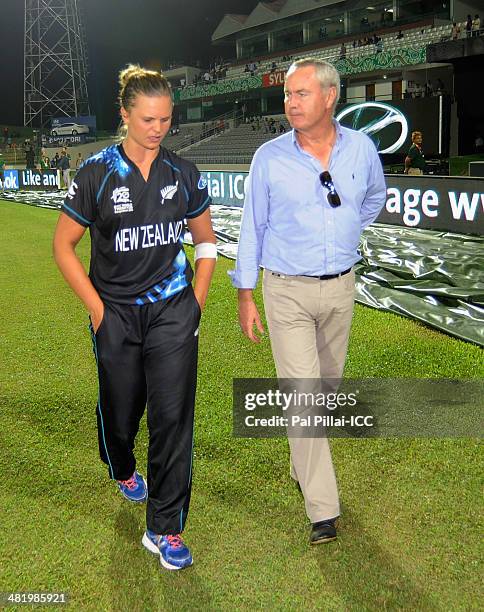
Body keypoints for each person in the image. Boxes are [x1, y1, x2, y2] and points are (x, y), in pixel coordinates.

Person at [53, 64, 216, 571]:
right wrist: (100, 312)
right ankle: (120, 465)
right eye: (147, 119)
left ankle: (166, 528)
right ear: (125, 116)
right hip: (116, 316)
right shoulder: (97, 173)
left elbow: (206, 242)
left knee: (173, 420)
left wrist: (197, 299)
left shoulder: (183, 172)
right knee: (121, 416)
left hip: (172, 312)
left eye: (165, 119)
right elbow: (63, 246)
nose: (158, 128)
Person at [232, 59, 386, 545]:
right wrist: (245, 292)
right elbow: (251, 225)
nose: (290, 103)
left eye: (300, 93)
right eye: (287, 95)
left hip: (341, 288)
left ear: (329, 97)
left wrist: (344, 233)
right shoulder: (269, 157)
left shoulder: (361, 149)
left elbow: (373, 199)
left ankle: (304, 462)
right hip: (286, 292)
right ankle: (323, 510)